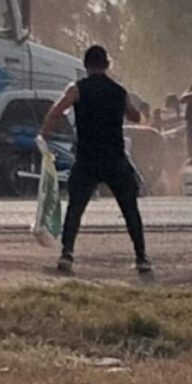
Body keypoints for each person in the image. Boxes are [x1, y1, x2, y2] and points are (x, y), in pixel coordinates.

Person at [38, 46, 151, 275]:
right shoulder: (119, 91)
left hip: (87, 158)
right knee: (130, 209)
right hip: (115, 158)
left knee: (76, 208)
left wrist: (43, 135)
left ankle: (67, 254)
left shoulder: (77, 89)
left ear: (86, 65)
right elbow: (136, 117)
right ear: (107, 65)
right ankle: (141, 258)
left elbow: (56, 112)